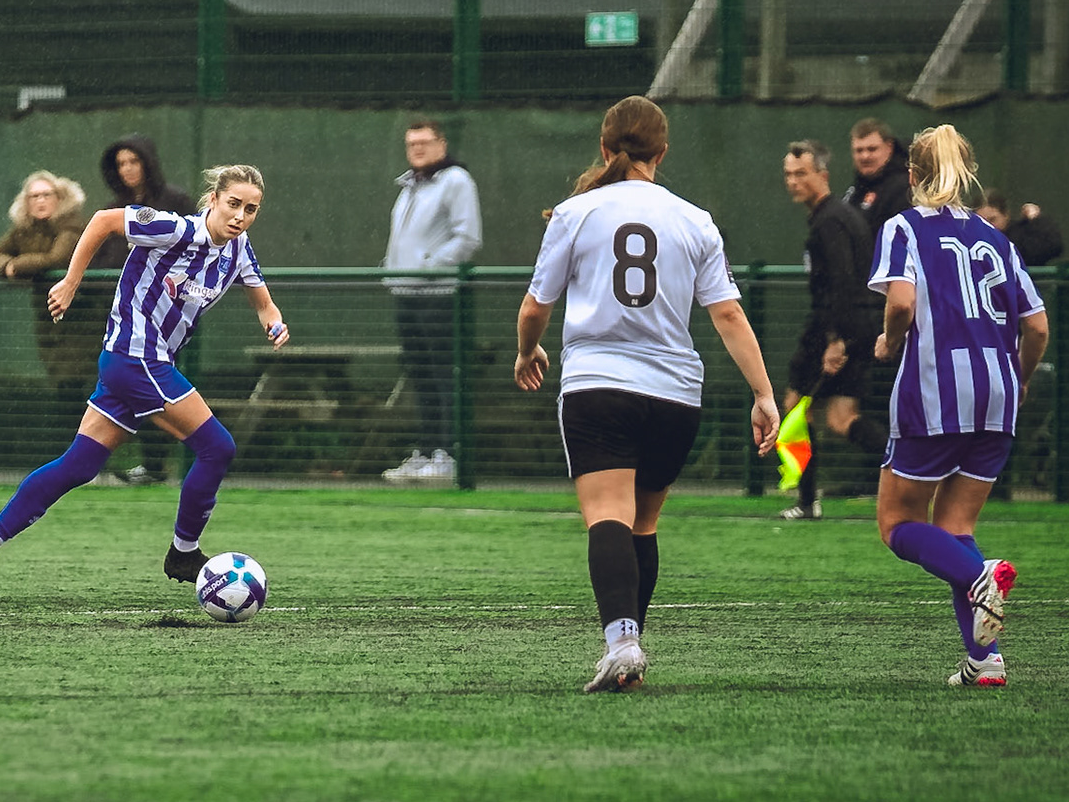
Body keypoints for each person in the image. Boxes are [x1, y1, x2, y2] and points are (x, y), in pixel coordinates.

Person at [516, 97, 778, 693]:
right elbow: (728, 315)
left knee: (607, 515)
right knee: (643, 523)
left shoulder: (575, 212)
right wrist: (763, 394)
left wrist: (527, 352)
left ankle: (622, 644)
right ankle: (629, 650)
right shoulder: (695, 219)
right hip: (674, 394)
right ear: (662, 151)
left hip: (598, 386)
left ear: (604, 147)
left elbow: (534, 307)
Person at [0, 165, 290, 601]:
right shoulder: (175, 229)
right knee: (217, 447)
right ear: (214, 200)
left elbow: (263, 302)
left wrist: (273, 322)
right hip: (135, 357)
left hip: (140, 364)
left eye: (251, 209)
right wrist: (70, 282)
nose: (240, 216)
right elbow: (104, 220)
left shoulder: (237, 249)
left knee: (79, 465)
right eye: (233, 204)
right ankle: (184, 553)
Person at [871, 124, 1049, 688]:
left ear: (911, 175)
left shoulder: (903, 227)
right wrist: (1020, 380)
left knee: (897, 523)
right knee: (955, 525)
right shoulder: (997, 238)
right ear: (966, 170)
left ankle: (980, 575)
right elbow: (1037, 327)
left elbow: (902, 303)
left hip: (935, 392)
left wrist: (888, 342)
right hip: (999, 393)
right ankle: (985, 662)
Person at [780, 139, 889, 519]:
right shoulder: (838, 215)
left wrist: (835, 341)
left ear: (822, 175)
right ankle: (914, 470)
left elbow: (843, 283)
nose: (793, 181)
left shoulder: (831, 221)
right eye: (788, 174)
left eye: (801, 174)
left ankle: (807, 501)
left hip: (835, 328)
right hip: (856, 326)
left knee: (796, 407)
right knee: (841, 419)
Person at [381, 118, 483, 483]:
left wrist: (427, 267)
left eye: (424, 142)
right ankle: (425, 453)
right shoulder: (408, 187)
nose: (417, 149)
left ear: (442, 144)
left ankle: (448, 455)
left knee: (443, 376)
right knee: (420, 377)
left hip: (439, 297)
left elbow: (468, 238)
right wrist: (395, 270)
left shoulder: (456, 180)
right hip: (406, 296)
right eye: (412, 144)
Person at [94, 136, 195, 483]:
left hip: (166, 321)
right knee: (118, 395)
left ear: (148, 162)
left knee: (162, 395)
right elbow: (105, 260)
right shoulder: (114, 210)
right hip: (124, 323)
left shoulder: (175, 203)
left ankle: (158, 466)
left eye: (133, 161)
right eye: (121, 163)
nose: (127, 169)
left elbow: (192, 254)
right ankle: (91, 464)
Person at [0, 171, 92, 419]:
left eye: (46, 194)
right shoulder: (24, 229)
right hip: (46, 314)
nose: (40, 201)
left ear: (59, 197)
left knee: (77, 379)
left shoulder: (71, 224)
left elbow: (56, 259)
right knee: (58, 378)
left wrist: (18, 265)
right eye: (34, 196)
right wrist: (6, 265)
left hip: (81, 314)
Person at [843, 117, 911, 236]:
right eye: (859, 150)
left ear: (889, 147)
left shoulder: (904, 187)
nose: (865, 156)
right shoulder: (856, 190)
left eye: (872, 149)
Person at [980, 190, 1064, 267]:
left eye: (992, 220)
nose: (987, 225)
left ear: (1005, 215)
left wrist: (1036, 220)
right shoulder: (974, 241)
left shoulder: (1021, 234)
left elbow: (1053, 246)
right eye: (981, 221)